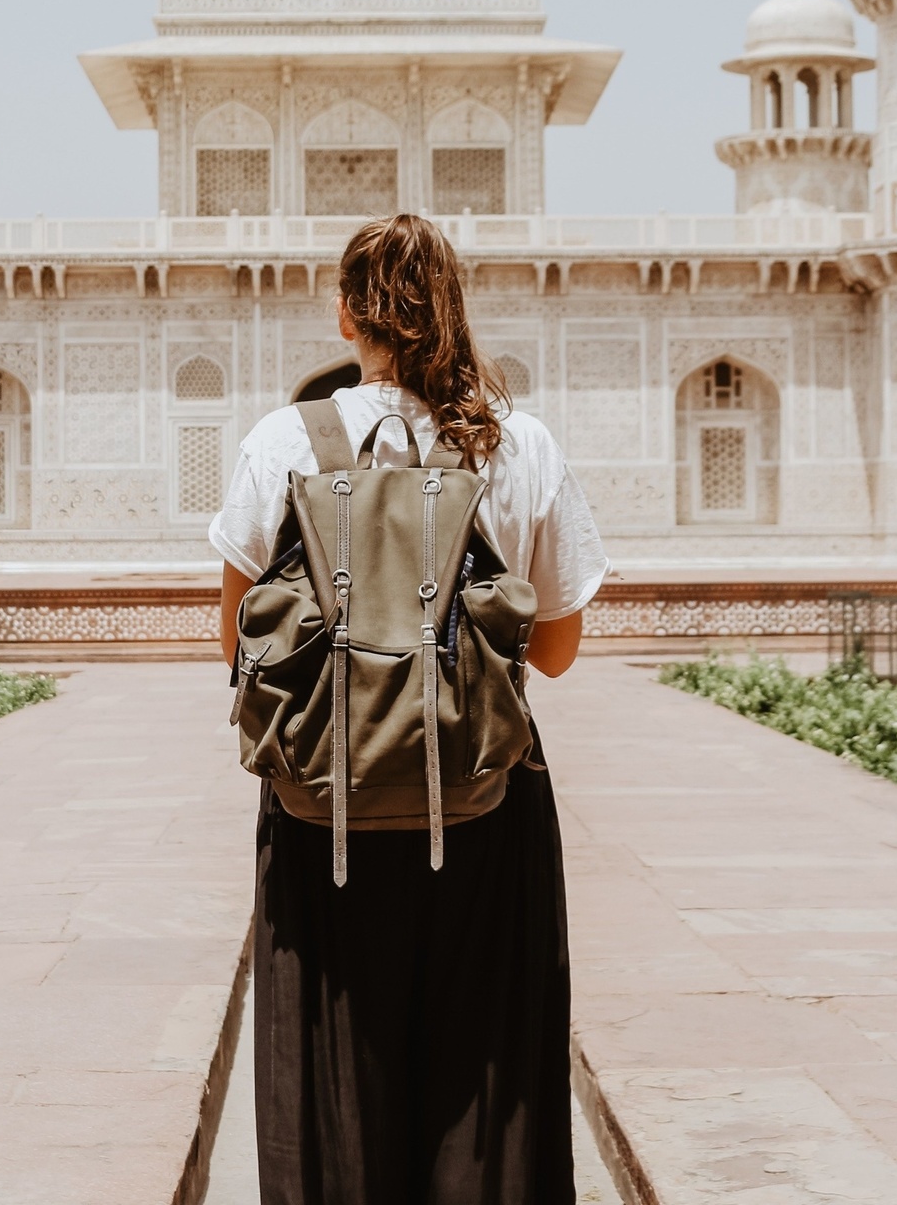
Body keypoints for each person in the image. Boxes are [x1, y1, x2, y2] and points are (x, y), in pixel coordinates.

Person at [209, 214, 607, 1204]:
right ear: (453, 314)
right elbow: (554, 653)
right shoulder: (517, 445)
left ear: (346, 316)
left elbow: (236, 648)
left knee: (334, 1067)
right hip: (485, 801)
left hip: (323, 805)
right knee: (486, 1070)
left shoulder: (280, 443)